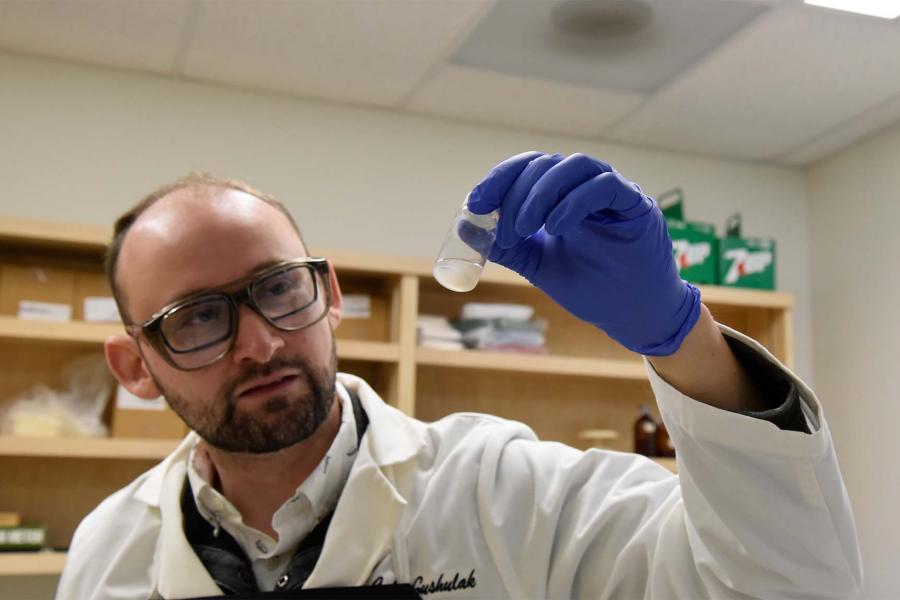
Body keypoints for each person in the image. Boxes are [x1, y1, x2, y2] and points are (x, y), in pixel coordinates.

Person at [57, 152, 862, 599]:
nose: (261, 344)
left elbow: (790, 590)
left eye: (277, 289)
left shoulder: (510, 494)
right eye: (197, 317)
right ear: (134, 365)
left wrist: (679, 337)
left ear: (329, 294)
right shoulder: (108, 554)